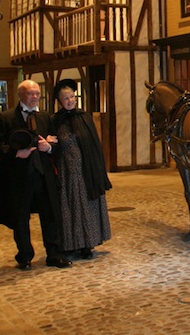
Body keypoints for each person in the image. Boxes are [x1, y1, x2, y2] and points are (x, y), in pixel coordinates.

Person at [0, 79, 72, 270]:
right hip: (18, 177)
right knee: (20, 216)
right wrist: (15, 153)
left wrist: (49, 147)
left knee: (50, 215)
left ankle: (53, 254)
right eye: (31, 93)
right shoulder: (6, 117)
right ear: (21, 95)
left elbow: (56, 142)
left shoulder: (45, 117)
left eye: (37, 93)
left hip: (43, 174)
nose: (35, 97)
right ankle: (25, 255)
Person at [51, 79, 112, 260]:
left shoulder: (84, 117)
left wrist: (97, 168)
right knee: (69, 207)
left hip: (85, 171)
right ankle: (71, 243)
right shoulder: (55, 121)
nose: (70, 100)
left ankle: (87, 243)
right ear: (59, 101)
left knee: (87, 206)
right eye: (65, 98)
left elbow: (93, 144)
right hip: (66, 172)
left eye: (71, 96)